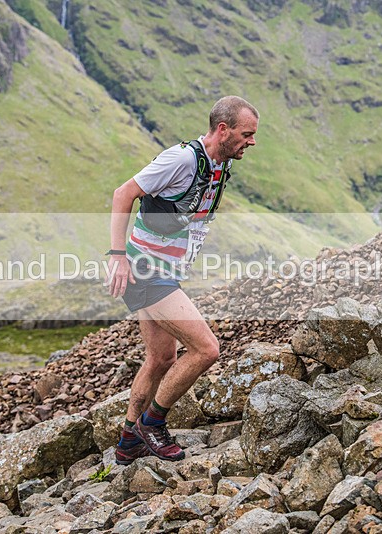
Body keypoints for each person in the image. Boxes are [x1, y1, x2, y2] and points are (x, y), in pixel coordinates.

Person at [105, 96, 259, 464]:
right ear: (223, 130)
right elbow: (123, 194)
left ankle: (128, 441)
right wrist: (117, 256)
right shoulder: (182, 159)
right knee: (207, 349)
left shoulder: (218, 164)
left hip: (165, 271)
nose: (252, 142)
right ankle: (152, 424)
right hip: (147, 271)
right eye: (246, 134)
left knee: (160, 358)